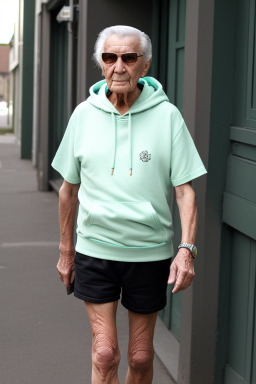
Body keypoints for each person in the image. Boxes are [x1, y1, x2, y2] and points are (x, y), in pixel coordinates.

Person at [51, 25, 207, 384]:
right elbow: (67, 191)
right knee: (105, 354)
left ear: (145, 65)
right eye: (109, 57)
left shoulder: (168, 117)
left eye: (129, 57)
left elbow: (185, 191)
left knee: (139, 357)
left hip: (149, 253)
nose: (118, 66)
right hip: (95, 250)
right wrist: (66, 250)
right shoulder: (83, 116)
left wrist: (186, 250)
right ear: (101, 64)